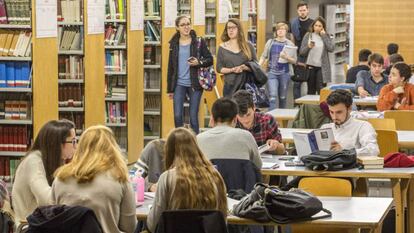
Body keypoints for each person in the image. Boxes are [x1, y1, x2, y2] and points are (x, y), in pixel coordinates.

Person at [52, 125, 137, 233]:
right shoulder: (119, 177)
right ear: (112, 148)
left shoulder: (60, 178)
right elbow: (130, 227)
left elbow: (53, 217)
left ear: (80, 147)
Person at [147, 127, 227, 233]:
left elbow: (153, 225)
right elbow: (222, 220)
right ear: (196, 148)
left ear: (169, 151)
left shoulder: (167, 178)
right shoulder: (215, 175)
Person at [12, 119, 76, 225]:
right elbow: (46, 199)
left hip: (44, 223)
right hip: (29, 226)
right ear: (58, 144)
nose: (76, 146)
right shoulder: (33, 161)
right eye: (73, 141)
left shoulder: (55, 161)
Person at [167, 16, 213, 134]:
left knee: (193, 117)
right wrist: (170, 89)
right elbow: (171, 67)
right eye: (183, 25)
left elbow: (210, 59)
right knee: (177, 116)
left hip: (195, 84)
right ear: (177, 27)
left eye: (188, 24)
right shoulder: (174, 44)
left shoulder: (198, 41)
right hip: (179, 84)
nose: (186, 27)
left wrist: (199, 63)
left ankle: (195, 144)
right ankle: (179, 142)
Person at [197, 98, 261, 168]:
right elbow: (258, 165)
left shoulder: (198, 139)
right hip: (238, 179)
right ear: (235, 119)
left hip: (211, 178)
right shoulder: (246, 136)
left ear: (212, 118)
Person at [321, 89, 379, 156]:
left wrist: (344, 152)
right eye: (331, 112)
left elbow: (373, 150)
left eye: (339, 112)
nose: (334, 117)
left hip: (350, 166)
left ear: (349, 109)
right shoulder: (325, 128)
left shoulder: (363, 126)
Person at [232, 90, 285, 155]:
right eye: (240, 116)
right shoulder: (230, 124)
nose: (245, 120)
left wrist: (276, 145)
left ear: (254, 108)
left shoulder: (267, 120)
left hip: (266, 163)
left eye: (248, 115)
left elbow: (282, 150)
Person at [259, 22, 296, 109]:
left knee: (283, 97)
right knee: (272, 96)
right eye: (278, 29)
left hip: (285, 73)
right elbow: (264, 55)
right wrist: (258, 66)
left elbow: (294, 61)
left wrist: (286, 57)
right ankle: (271, 118)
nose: (280, 31)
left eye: (282, 29)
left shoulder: (290, 44)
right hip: (272, 73)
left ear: (286, 31)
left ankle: (282, 117)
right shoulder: (270, 42)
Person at [216, 18, 257, 97]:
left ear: (239, 29)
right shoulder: (222, 47)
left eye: (233, 27)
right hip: (230, 87)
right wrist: (232, 70)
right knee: (230, 108)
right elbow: (219, 68)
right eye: (228, 28)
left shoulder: (248, 46)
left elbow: (256, 65)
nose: (231, 30)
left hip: (246, 86)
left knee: (244, 109)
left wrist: (245, 67)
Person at [300, 16, 334, 95]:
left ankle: (321, 107)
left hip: (322, 67)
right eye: (316, 25)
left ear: (323, 27)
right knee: (311, 90)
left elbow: (331, 49)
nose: (317, 28)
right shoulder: (308, 35)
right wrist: (308, 47)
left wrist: (324, 36)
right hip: (310, 66)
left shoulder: (326, 36)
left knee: (321, 90)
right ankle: (310, 107)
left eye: (320, 26)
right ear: (313, 26)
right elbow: (301, 52)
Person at [291, 1, 314, 100]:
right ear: (297, 11)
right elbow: (292, 38)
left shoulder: (313, 23)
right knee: (297, 82)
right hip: (298, 55)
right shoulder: (293, 23)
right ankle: (297, 104)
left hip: (310, 55)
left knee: (310, 82)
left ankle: (309, 104)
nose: (302, 12)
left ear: (308, 10)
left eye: (304, 10)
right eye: (300, 11)